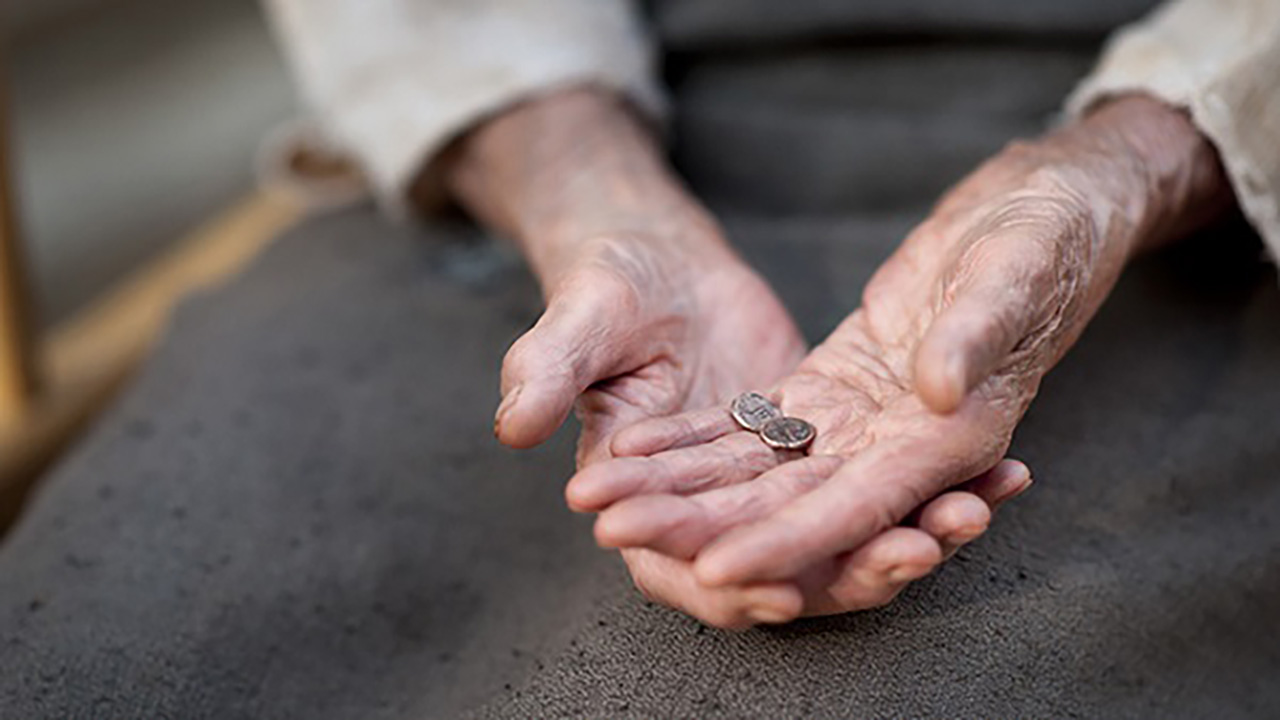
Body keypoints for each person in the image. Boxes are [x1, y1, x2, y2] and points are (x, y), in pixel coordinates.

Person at [1, 0, 1277, 717]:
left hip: (1211, 158)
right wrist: (578, 186)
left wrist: (1128, 167)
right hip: (543, 134)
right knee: (116, 644)